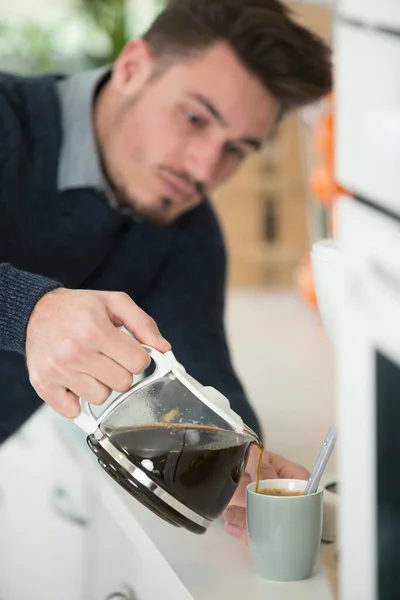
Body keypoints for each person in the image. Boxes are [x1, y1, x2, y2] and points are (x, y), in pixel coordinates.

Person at [0, 0, 331, 536]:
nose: (204, 168)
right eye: (195, 117)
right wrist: (26, 312)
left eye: (236, 149)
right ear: (132, 68)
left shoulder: (183, 231)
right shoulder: (9, 120)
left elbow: (202, 378)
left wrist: (244, 456)